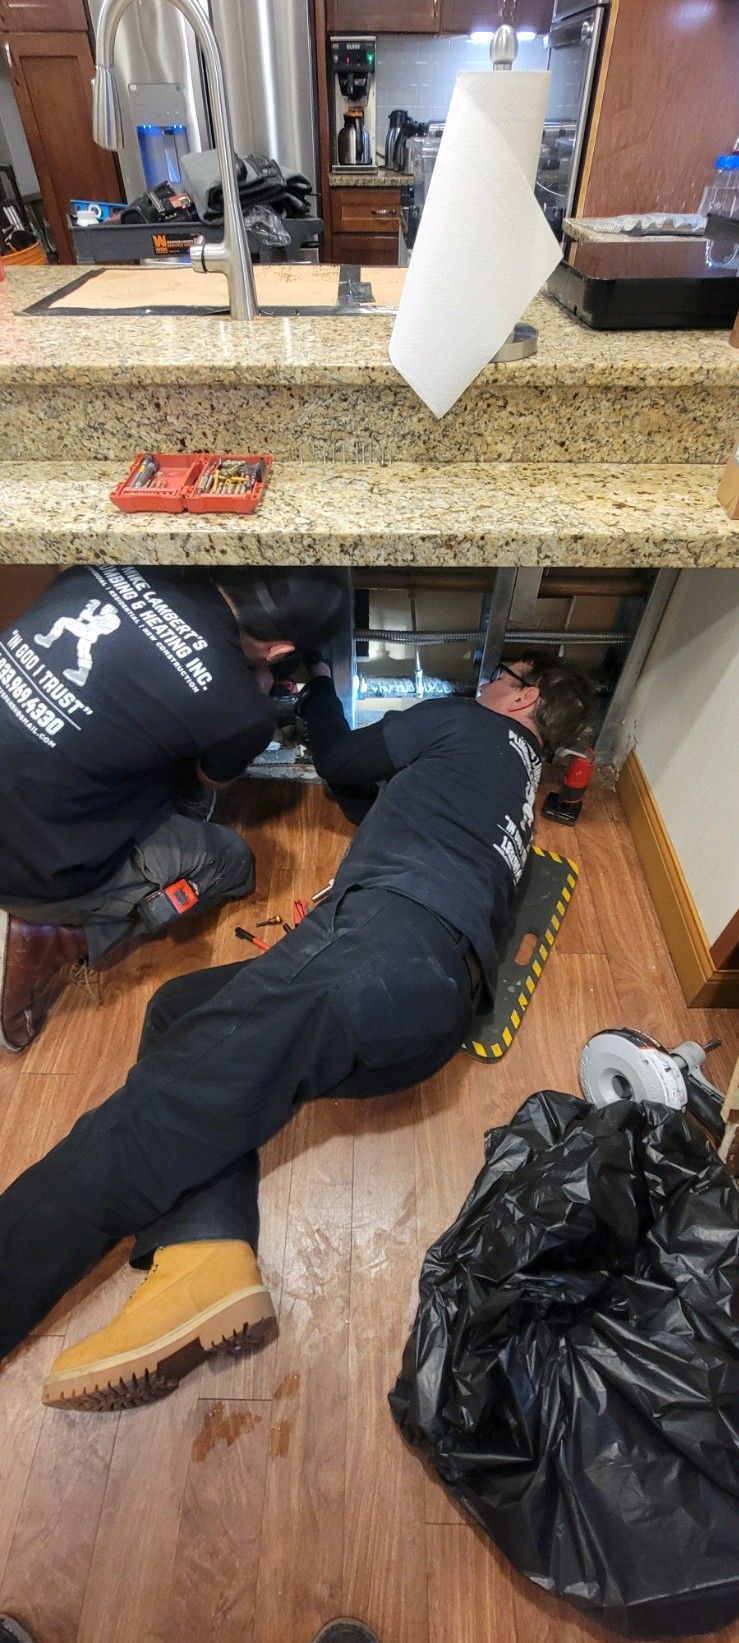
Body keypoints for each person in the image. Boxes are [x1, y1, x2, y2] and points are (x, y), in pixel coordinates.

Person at [0, 653, 594, 1407]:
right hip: (429, 1008)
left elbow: (345, 758)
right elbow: (365, 799)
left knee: (161, 1112)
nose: (486, 681)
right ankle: (202, 1254)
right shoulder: (515, 793)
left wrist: (314, 686)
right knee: (183, 1013)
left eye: (503, 672)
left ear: (525, 694)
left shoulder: (466, 720)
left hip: (376, 950)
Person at [0, 565, 346, 1051]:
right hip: (29, 870)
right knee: (231, 863)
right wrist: (249, 701)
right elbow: (208, 781)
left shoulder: (99, 570)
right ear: (279, 651)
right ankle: (56, 934)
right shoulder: (241, 713)